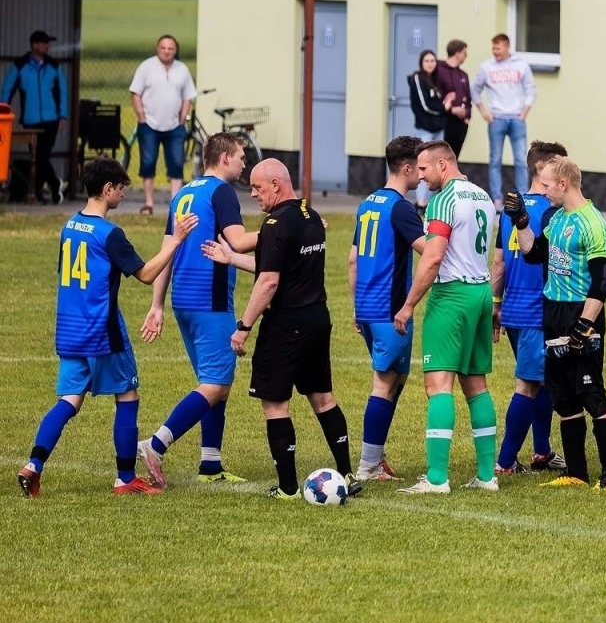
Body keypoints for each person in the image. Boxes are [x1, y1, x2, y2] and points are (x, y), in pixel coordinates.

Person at [17, 158, 196, 498]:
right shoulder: (109, 234)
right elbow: (146, 275)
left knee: (69, 400)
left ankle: (34, 464)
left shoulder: (70, 225)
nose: (124, 193)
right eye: (121, 187)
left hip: (70, 331)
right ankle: (125, 479)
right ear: (108, 188)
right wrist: (175, 241)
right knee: (127, 396)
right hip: (102, 331)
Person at [204, 160, 357, 501]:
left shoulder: (274, 224)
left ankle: (288, 488)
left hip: (286, 324)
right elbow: (278, 266)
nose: (253, 194)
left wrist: (243, 327)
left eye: (257, 187)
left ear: (275, 184)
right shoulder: (311, 216)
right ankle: (347, 473)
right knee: (323, 398)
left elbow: (269, 281)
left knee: (275, 405)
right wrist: (232, 258)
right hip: (317, 318)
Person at [137, 132, 254, 487]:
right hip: (210, 301)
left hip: (183, 301)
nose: (244, 163)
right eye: (241, 157)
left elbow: (167, 251)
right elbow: (238, 242)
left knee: (216, 383)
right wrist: (289, 228)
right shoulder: (222, 192)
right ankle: (156, 444)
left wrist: (157, 305)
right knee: (215, 384)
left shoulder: (183, 193)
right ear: (224, 158)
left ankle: (210, 465)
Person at [392, 141, 500, 494]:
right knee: (477, 386)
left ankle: (437, 478)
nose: (420, 176)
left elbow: (433, 256)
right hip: (480, 292)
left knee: (438, 385)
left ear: (443, 164)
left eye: (424, 169)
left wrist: (409, 304)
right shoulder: (483, 196)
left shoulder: (443, 200)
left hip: (452, 295)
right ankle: (487, 476)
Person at [516, 156, 606, 488]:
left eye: (547, 185)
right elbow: (533, 253)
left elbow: (602, 281)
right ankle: (576, 472)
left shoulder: (592, 222)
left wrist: (584, 324)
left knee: (591, 393)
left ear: (563, 184)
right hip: (554, 313)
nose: (543, 191)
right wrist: (521, 221)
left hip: (581, 313)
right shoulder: (556, 218)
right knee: (561, 395)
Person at [348, 136, 429, 482]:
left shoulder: (368, 203)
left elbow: (353, 260)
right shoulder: (401, 208)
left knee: (396, 379)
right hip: (391, 311)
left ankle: (375, 458)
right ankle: (367, 466)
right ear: (406, 168)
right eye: (419, 168)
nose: (422, 175)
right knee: (384, 384)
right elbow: (428, 250)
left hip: (369, 308)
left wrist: (356, 306)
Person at [492, 140, 564, 476]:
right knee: (529, 384)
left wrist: (496, 304)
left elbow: (498, 263)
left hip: (513, 308)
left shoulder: (512, 207)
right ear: (543, 168)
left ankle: (542, 451)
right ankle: (505, 461)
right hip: (538, 309)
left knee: (541, 380)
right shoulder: (553, 211)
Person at [128, 34, 196, 215]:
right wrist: (141, 117)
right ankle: (148, 203)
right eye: (163, 48)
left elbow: (188, 96)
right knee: (148, 163)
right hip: (149, 125)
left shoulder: (182, 69)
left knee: (176, 164)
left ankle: (175, 203)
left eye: (170, 48)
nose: (166, 51)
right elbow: (135, 93)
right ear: (158, 49)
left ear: (175, 50)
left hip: (175, 126)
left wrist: (182, 118)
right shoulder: (146, 67)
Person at [2, 29, 70, 204]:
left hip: (51, 119)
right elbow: (7, 90)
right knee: (39, 157)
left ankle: (42, 191)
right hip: (31, 120)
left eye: (48, 43)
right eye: (44, 43)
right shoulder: (20, 65)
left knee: (41, 156)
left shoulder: (54, 66)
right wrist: (3, 114)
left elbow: (62, 91)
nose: (47, 46)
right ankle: (52, 186)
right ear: (35, 45)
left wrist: (63, 115)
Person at [472, 34, 535, 199]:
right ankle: (497, 198)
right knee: (495, 160)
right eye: (493, 48)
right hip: (496, 119)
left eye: (498, 48)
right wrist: (483, 111)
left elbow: (530, 89)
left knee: (521, 160)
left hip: (517, 119)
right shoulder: (486, 67)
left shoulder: (521, 65)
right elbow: (475, 89)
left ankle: (523, 197)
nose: (495, 51)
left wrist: (525, 111)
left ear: (507, 46)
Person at [428, 40, 473, 208]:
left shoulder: (463, 75)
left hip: (461, 124)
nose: (466, 56)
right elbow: (436, 97)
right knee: (440, 159)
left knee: (453, 160)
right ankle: (435, 200)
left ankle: (450, 199)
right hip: (445, 122)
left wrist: (467, 116)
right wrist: (452, 109)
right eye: (464, 52)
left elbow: (468, 98)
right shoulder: (439, 70)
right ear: (457, 52)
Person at [409, 50, 449, 142]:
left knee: (439, 152)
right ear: (421, 63)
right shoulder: (418, 78)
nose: (429, 64)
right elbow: (425, 105)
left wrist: (448, 100)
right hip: (425, 129)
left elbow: (439, 100)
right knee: (424, 151)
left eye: (432, 61)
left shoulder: (436, 79)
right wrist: (444, 108)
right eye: (426, 61)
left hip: (439, 128)